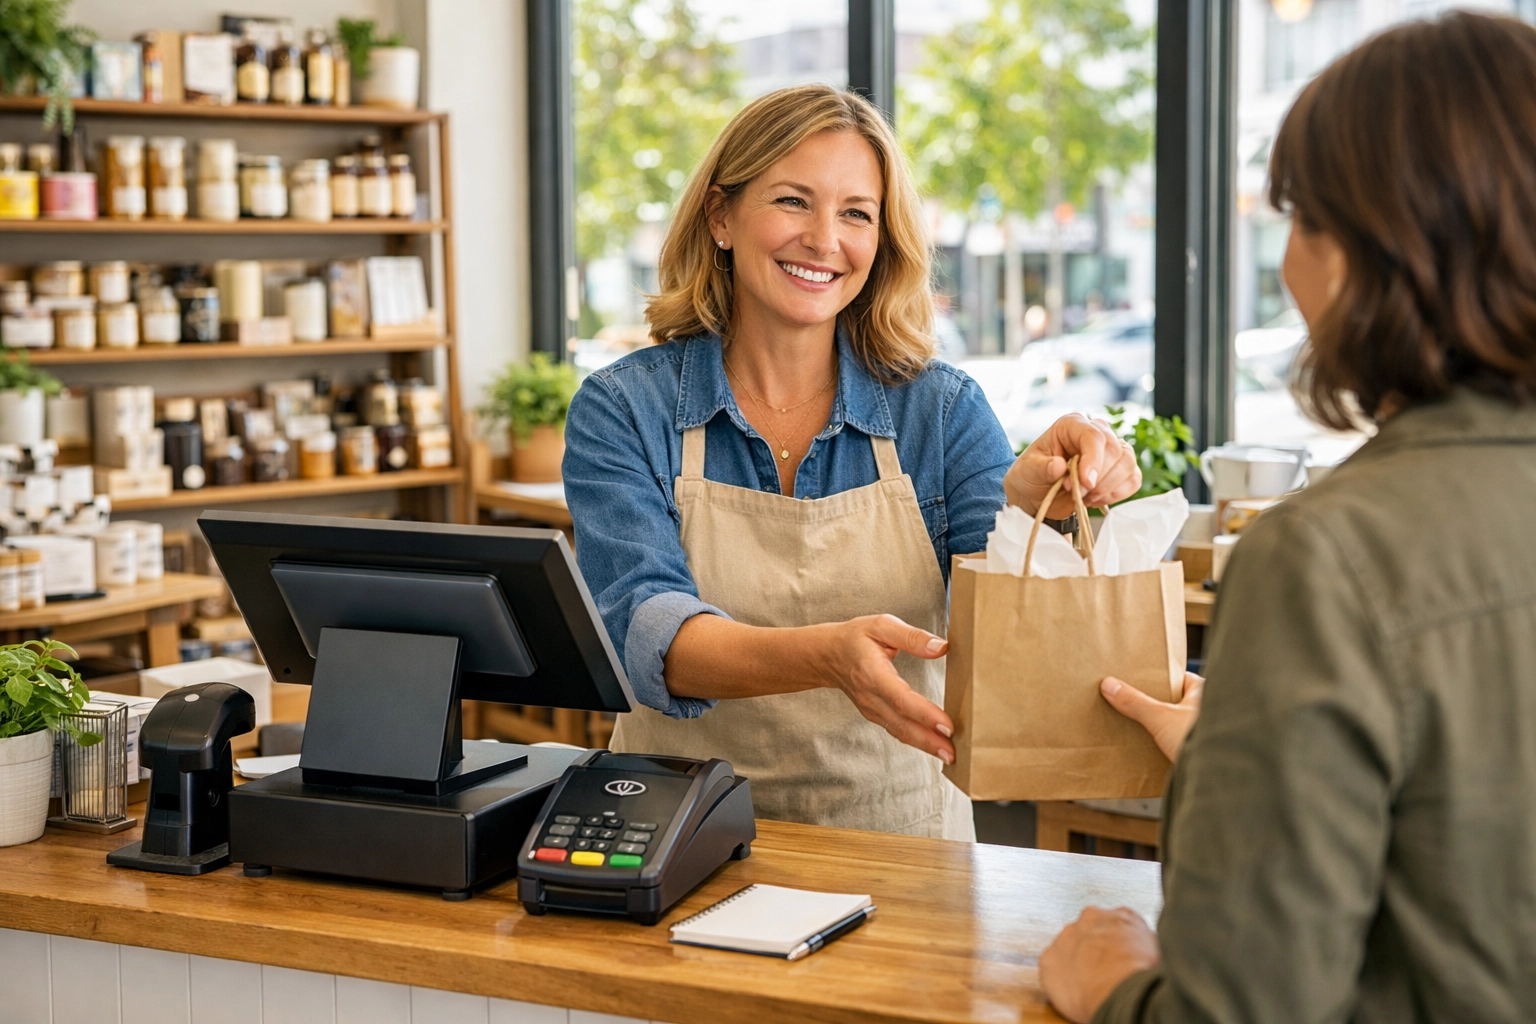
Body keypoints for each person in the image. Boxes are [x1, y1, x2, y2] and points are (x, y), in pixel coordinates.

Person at [1038, 12, 1536, 1022]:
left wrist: (1114, 987)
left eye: (1298, 220)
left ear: (1360, 252)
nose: (1284, 268)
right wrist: (1243, 771)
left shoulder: (1326, 559)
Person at [562, 84, 1141, 840]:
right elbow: (651, 633)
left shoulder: (940, 410)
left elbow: (1001, 622)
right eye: (793, 201)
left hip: (901, 840)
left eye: (856, 213)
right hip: (681, 838)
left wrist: (1033, 505)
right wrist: (827, 657)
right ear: (721, 216)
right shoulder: (623, 408)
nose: (824, 239)